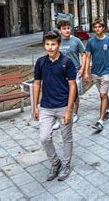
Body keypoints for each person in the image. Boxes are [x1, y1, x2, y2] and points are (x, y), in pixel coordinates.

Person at [32, 31, 77, 181]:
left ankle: (65, 165)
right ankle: (55, 162)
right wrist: (35, 106)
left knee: (66, 137)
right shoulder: (40, 62)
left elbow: (72, 86)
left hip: (63, 106)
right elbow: (37, 83)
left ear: (59, 45)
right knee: (44, 137)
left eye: (53, 44)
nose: (50, 48)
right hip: (46, 106)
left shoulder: (66, 62)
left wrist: (70, 110)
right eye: (47, 44)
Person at [84, 20, 109, 132]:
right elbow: (87, 57)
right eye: (95, 27)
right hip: (95, 73)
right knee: (103, 94)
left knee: (102, 95)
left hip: (106, 71)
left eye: (99, 27)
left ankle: (100, 121)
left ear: (103, 28)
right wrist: (86, 72)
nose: (97, 29)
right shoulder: (90, 42)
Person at [56, 20, 86, 129]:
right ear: (60, 31)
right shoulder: (57, 41)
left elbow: (84, 54)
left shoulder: (76, 41)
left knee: (75, 94)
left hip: (75, 71)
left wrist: (83, 68)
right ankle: (60, 116)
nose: (67, 30)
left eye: (68, 28)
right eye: (64, 28)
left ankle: (74, 113)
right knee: (61, 94)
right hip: (60, 72)